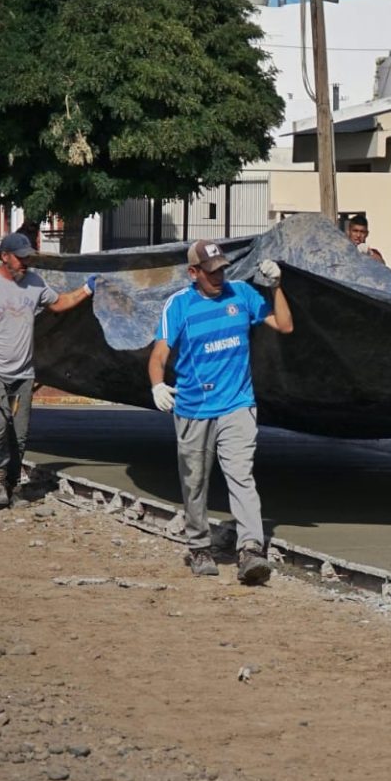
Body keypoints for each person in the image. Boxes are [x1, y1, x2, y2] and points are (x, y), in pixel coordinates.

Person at [148, 240, 292, 583]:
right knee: (194, 482)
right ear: (193, 272)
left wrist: (278, 287)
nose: (218, 276)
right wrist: (157, 384)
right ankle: (199, 547)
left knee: (241, 476)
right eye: (211, 271)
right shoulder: (179, 306)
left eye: (222, 269)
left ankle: (251, 551)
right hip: (194, 409)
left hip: (237, 405)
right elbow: (159, 354)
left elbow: (284, 325)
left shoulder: (241, 295)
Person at [0, 233, 95, 510]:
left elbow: (59, 303)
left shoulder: (35, 283)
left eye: (28, 257)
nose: (26, 263)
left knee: (20, 433)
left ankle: (10, 484)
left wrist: (87, 289)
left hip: (23, 373)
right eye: (20, 257)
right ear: (4, 256)